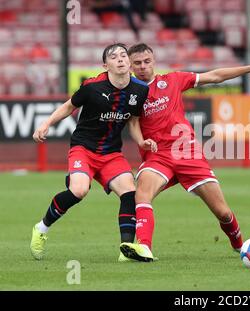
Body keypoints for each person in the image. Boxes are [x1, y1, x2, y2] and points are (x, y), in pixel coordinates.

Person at [118, 43, 250, 261]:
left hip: (187, 153)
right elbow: (133, 123)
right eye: (137, 63)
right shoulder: (131, 93)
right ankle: (144, 247)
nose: (143, 67)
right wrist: (141, 141)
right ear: (130, 66)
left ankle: (240, 246)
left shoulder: (173, 80)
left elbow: (214, 76)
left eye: (146, 62)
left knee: (222, 212)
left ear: (153, 61)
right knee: (142, 194)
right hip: (158, 156)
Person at [30, 43, 156, 262]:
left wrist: (141, 141)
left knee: (129, 193)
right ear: (105, 65)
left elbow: (133, 121)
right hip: (84, 148)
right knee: (78, 191)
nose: (120, 59)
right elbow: (69, 106)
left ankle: (125, 248)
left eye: (124, 55)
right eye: (114, 57)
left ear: (128, 61)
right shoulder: (92, 86)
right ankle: (41, 228)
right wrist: (46, 123)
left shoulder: (140, 90)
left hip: (111, 154)